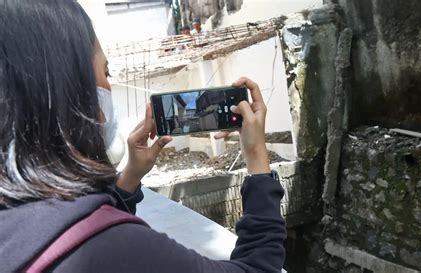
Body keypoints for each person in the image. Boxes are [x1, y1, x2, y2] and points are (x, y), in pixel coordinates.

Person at [0, 1, 286, 273]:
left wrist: (130, 176)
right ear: (71, 91)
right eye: (105, 71)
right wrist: (257, 156)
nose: (108, 87)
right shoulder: (116, 250)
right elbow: (257, 267)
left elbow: (77, 224)